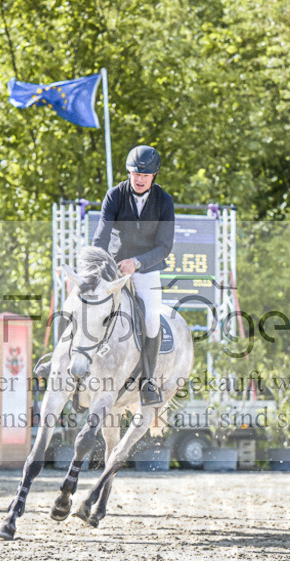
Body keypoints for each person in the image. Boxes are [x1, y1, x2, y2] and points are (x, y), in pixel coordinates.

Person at [91, 145, 175, 406]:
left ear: (154, 176)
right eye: (134, 174)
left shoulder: (164, 201)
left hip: (146, 270)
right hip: (113, 267)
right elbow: (101, 237)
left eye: (145, 175)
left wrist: (137, 263)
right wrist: (100, 267)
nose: (139, 179)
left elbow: (165, 247)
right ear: (128, 173)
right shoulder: (114, 195)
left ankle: (148, 380)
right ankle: (65, 362)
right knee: (86, 304)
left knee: (151, 318)